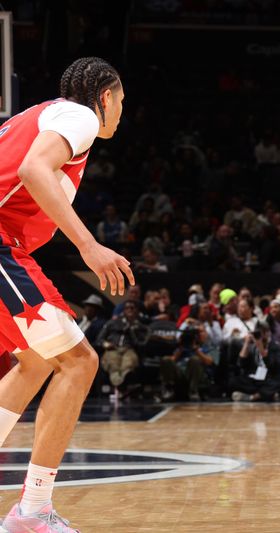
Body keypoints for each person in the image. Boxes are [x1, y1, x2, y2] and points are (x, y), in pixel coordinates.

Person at [0, 57, 133, 532]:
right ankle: (33, 512)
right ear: (104, 98)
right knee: (80, 362)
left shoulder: (37, 114)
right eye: (120, 101)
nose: (121, 111)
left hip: (7, 246)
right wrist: (89, 245)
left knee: (35, 362)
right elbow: (36, 169)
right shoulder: (79, 117)